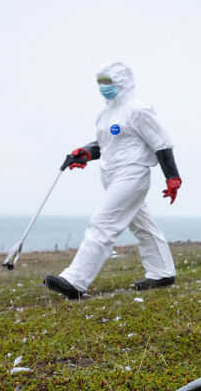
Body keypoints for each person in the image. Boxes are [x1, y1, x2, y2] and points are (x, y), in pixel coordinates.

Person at [43, 61, 182, 299]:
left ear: (122, 82)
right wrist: (85, 152)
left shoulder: (138, 110)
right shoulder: (105, 115)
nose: (103, 87)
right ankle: (162, 273)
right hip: (111, 174)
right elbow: (105, 145)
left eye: (107, 82)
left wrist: (172, 177)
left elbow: (161, 141)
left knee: (102, 222)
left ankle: (75, 280)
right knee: (141, 224)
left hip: (133, 173)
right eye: (100, 83)